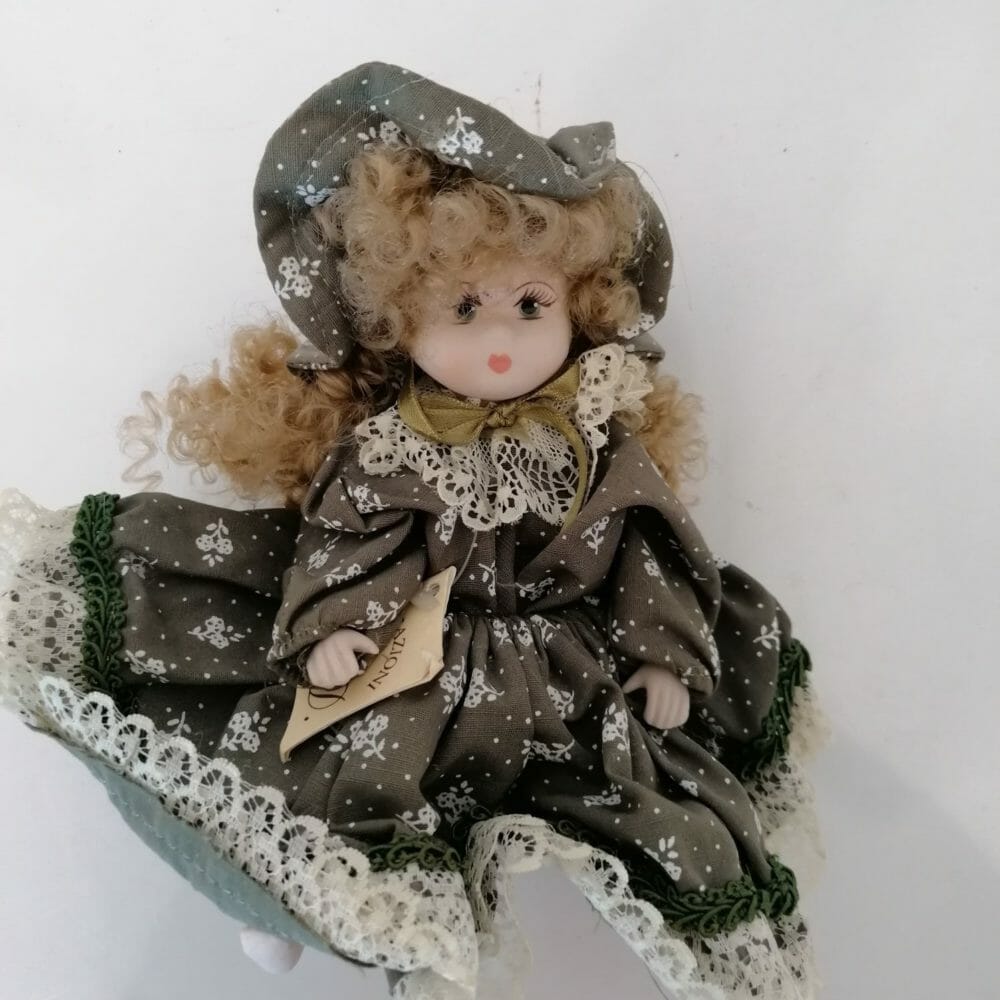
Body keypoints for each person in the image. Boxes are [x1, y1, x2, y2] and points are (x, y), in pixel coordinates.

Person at [0, 61, 822, 1000]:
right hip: (429, 669)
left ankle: (717, 959)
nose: (500, 341)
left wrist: (665, 657)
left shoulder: (599, 440)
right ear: (399, 322)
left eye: (530, 303)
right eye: (463, 308)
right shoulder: (393, 451)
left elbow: (650, 555)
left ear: (581, 303)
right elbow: (349, 543)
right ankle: (299, 910)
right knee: (356, 778)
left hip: (574, 675)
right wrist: (336, 623)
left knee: (665, 811)